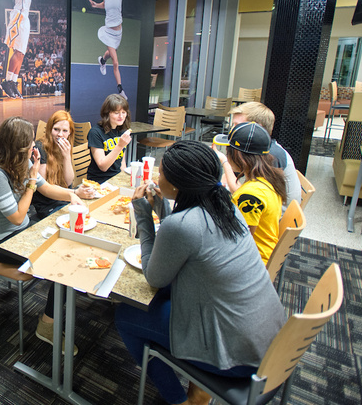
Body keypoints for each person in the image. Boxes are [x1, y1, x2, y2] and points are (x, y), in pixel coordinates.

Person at [115, 140, 286, 405]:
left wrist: (143, 214)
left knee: (126, 315)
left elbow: (154, 276)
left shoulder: (182, 225)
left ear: (179, 184)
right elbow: (188, 232)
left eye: (163, 173)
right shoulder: (226, 205)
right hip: (269, 340)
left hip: (238, 356)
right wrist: (162, 208)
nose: (159, 176)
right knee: (164, 295)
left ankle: (178, 400)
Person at [0, 117, 84, 353]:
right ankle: (47, 326)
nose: (33, 148)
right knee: (60, 264)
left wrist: (73, 194)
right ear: (16, 146)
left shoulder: (20, 162)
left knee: (65, 250)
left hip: (22, 232)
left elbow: (47, 188)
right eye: (29, 144)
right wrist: (32, 179)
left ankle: (49, 320)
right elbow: (16, 217)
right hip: (1, 240)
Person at [214, 122, 286, 265]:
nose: (227, 154)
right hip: (260, 254)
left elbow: (239, 241)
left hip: (251, 264)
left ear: (238, 155)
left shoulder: (251, 195)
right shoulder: (267, 179)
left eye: (229, 150)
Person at [226, 102, 302, 210]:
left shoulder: (270, 156)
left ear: (256, 128)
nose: (232, 130)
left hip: (276, 218)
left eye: (238, 125)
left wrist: (224, 161)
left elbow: (246, 196)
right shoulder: (256, 150)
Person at [32, 110, 96, 219]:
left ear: (70, 132)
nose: (60, 134)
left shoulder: (66, 146)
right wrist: (74, 193)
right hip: (48, 204)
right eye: (56, 129)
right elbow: (44, 187)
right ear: (49, 129)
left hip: (64, 197)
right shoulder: (40, 147)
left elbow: (68, 182)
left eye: (65, 131)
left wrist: (66, 156)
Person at [2, 0, 40, 99]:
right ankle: (7, 82)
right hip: (18, 16)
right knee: (17, 51)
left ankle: (14, 82)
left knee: (22, 54)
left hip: (25, 17)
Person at [88, 0, 126, 99]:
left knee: (110, 54)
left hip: (119, 32)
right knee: (115, 62)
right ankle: (120, 89)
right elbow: (105, 5)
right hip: (108, 31)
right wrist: (96, 5)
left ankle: (102, 60)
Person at [87, 93, 132, 182]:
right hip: (100, 181)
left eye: (123, 112)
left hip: (117, 178)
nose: (121, 116)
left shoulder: (122, 131)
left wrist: (125, 180)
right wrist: (119, 146)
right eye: (116, 113)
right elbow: (103, 166)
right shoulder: (95, 132)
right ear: (107, 114)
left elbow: (122, 162)